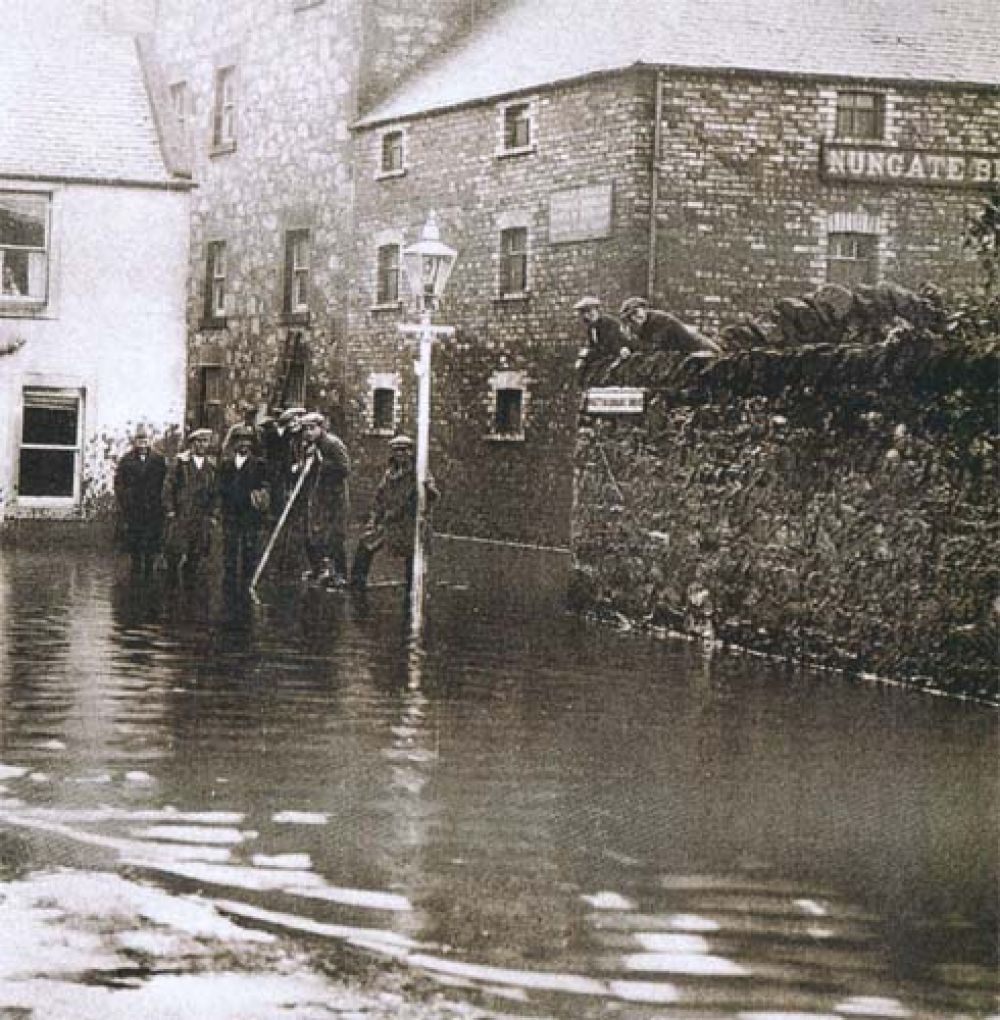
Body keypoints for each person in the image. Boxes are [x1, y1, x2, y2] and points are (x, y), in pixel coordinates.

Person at [351, 435, 439, 592]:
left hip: (409, 523)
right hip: (390, 522)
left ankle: (412, 589)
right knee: (366, 544)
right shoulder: (390, 473)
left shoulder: (419, 473)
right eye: (396, 450)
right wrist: (374, 518)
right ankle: (357, 583)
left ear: (410, 452)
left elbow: (433, 495)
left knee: (412, 557)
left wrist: (427, 489)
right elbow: (380, 496)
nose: (399, 454)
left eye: (403, 450)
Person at [294, 412, 350, 589]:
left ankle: (340, 574)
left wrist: (321, 462)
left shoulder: (332, 443)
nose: (308, 433)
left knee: (334, 535)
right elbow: (306, 469)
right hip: (314, 495)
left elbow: (345, 468)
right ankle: (317, 568)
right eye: (305, 429)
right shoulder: (307, 446)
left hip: (334, 497)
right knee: (311, 533)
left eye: (312, 428)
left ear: (321, 427)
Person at [163, 427, 218, 587]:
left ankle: (189, 591)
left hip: (201, 516)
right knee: (175, 553)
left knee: (197, 553)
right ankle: (171, 592)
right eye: (198, 442)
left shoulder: (211, 467)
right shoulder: (181, 463)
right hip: (182, 513)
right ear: (192, 444)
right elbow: (168, 486)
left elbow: (215, 492)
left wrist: (213, 514)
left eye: (205, 441)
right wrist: (170, 509)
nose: (202, 445)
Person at [217, 425, 270, 592]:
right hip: (230, 512)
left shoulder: (259, 464)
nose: (244, 445)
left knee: (249, 547)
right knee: (230, 547)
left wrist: (261, 497)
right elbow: (220, 487)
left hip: (250, 513)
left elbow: (265, 486)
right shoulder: (226, 464)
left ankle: (247, 582)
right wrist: (220, 508)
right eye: (240, 441)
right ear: (234, 443)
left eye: (247, 441)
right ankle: (229, 583)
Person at [113, 424, 167, 576]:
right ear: (135, 442)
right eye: (139, 439)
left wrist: (161, 502)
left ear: (150, 441)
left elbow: (165, 482)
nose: (143, 443)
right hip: (134, 507)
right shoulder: (126, 460)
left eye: (145, 439)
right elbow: (119, 483)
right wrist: (125, 501)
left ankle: (149, 568)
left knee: (151, 539)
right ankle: (136, 568)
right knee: (135, 539)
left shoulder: (158, 459)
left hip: (152, 507)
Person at [618, 296, 722, 356]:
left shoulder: (660, 320)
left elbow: (656, 348)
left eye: (637, 312)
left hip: (701, 350)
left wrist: (633, 347)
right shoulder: (638, 325)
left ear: (644, 309)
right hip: (684, 354)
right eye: (631, 315)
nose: (636, 317)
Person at [572, 295, 631, 386]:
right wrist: (583, 357)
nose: (587, 315)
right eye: (584, 312)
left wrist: (590, 353)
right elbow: (592, 345)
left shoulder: (609, 323)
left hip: (617, 356)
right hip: (603, 357)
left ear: (597, 311)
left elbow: (611, 345)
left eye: (590, 311)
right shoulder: (591, 327)